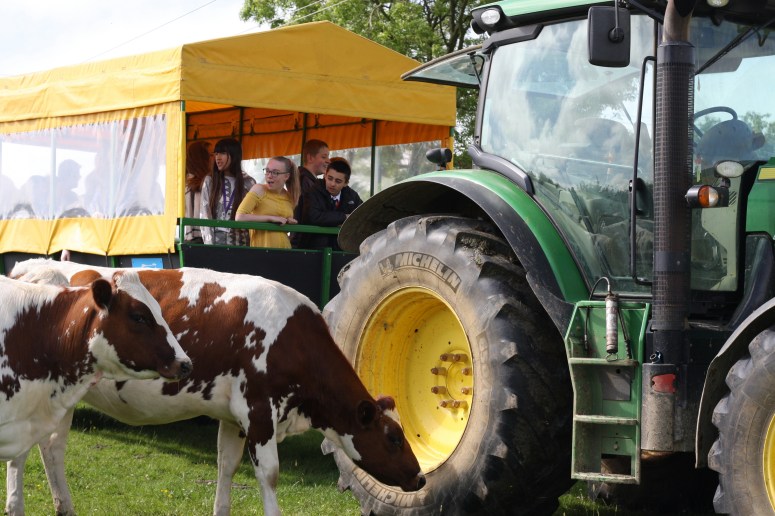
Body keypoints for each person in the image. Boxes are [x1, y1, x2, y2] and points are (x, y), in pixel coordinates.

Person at [200, 138, 256, 245]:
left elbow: (255, 214)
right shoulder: (210, 181)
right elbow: (205, 214)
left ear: (234, 155)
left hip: (241, 244)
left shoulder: (249, 182)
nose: (218, 158)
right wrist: (209, 246)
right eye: (216, 154)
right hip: (215, 244)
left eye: (222, 153)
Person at [298, 157, 363, 250]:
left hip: (342, 251)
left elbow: (361, 217)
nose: (332, 184)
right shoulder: (312, 192)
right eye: (330, 178)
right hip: (313, 251)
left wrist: (331, 220)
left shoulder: (352, 196)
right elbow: (314, 217)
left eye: (338, 181)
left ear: (346, 183)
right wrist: (344, 218)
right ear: (325, 175)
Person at [235, 156, 300, 249]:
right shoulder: (259, 189)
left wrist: (289, 220)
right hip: (262, 253)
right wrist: (270, 218)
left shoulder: (289, 196)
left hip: (285, 251)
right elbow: (239, 217)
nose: (269, 175)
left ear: (286, 176)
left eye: (275, 172)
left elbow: (281, 221)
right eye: (267, 171)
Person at [290, 139, 330, 247]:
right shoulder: (304, 180)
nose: (328, 161)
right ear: (310, 158)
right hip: (304, 240)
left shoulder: (306, 180)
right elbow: (307, 214)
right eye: (324, 157)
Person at [184, 141, 212, 243]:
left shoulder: (183, 181)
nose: (213, 158)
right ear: (202, 159)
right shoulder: (208, 181)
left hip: (188, 236)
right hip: (204, 235)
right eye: (210, 155)